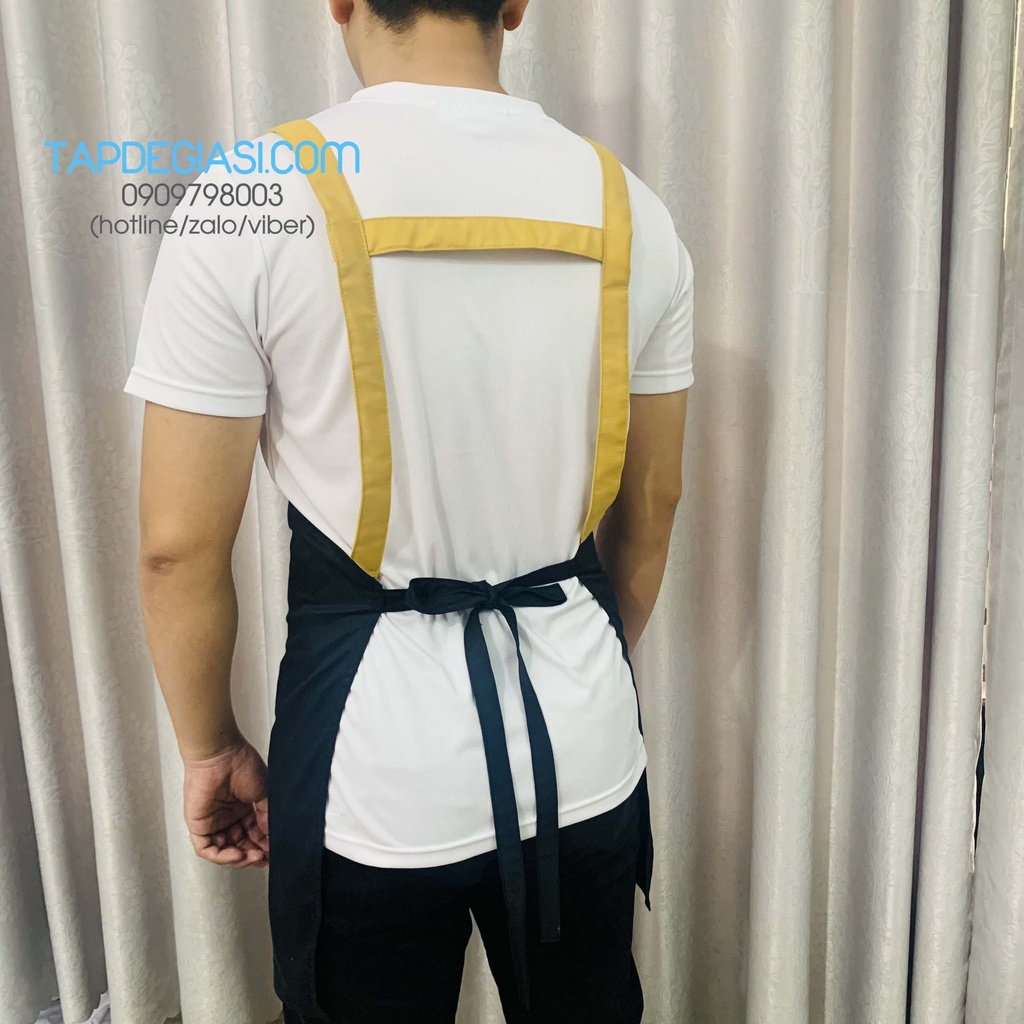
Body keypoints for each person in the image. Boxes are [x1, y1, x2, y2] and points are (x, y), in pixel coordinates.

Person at [125, 0, 693, 1021]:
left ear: (341, 1)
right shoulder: (632, 208)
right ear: (514, 5)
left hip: (371, 770)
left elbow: (176, 548)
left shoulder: (252, 197)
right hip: (583, 747)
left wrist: (210, 747)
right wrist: (579, 661)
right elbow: (652, 505)